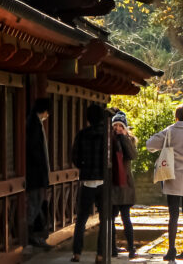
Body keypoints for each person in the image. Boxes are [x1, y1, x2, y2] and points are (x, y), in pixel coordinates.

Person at [147, 105, 183, 261]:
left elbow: (149, 144)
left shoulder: (170, 131)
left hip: (171, 176)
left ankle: (171, 249)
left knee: (173, 215)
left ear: (176, 117)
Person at [71, 103, 108, 263]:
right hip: (103, 181)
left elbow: (75, 157)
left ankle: (77, 253)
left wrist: (84, 167)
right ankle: (100, 254)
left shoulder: (82, 134)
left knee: (81, 219)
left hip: (87, 181)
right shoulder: (107, 135)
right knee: (104, 219)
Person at [25, 97, 53, 249]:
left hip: (36, 173)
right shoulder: (34, 125)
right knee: (35, 204)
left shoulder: (34, 123)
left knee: (37, 203)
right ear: (44, 110)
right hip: (35, 173)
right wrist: (43, 171)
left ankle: (36, 235)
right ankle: (32, 235)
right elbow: (35, 151)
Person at [111, 112, 138, 259]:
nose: (118, 129)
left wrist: (123, 138)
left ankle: (131, 247)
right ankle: (112, 247)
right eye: (115, 126)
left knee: (126, 217)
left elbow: (132, 155)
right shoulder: (110, 141)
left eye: (121, 126)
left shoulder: (130, 140)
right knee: (111, 218)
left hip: (125, 185)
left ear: (126, 128)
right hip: (113, 185)